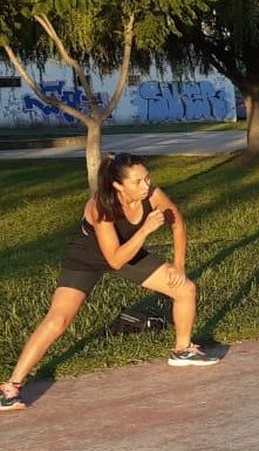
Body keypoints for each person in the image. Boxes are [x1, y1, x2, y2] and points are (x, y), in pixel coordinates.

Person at [2, 154, 217, 411]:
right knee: (58, 319)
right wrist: (146, 229)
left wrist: (179, 266)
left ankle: (182, 350)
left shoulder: (152, 195)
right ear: (118, 185)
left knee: (185, 289)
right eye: (137, 182)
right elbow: (114, 260)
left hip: (127, 251)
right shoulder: (100, 207)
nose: (146, 186)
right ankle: (10, 388)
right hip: (87, 259)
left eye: (147, 178)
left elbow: (177, 222)